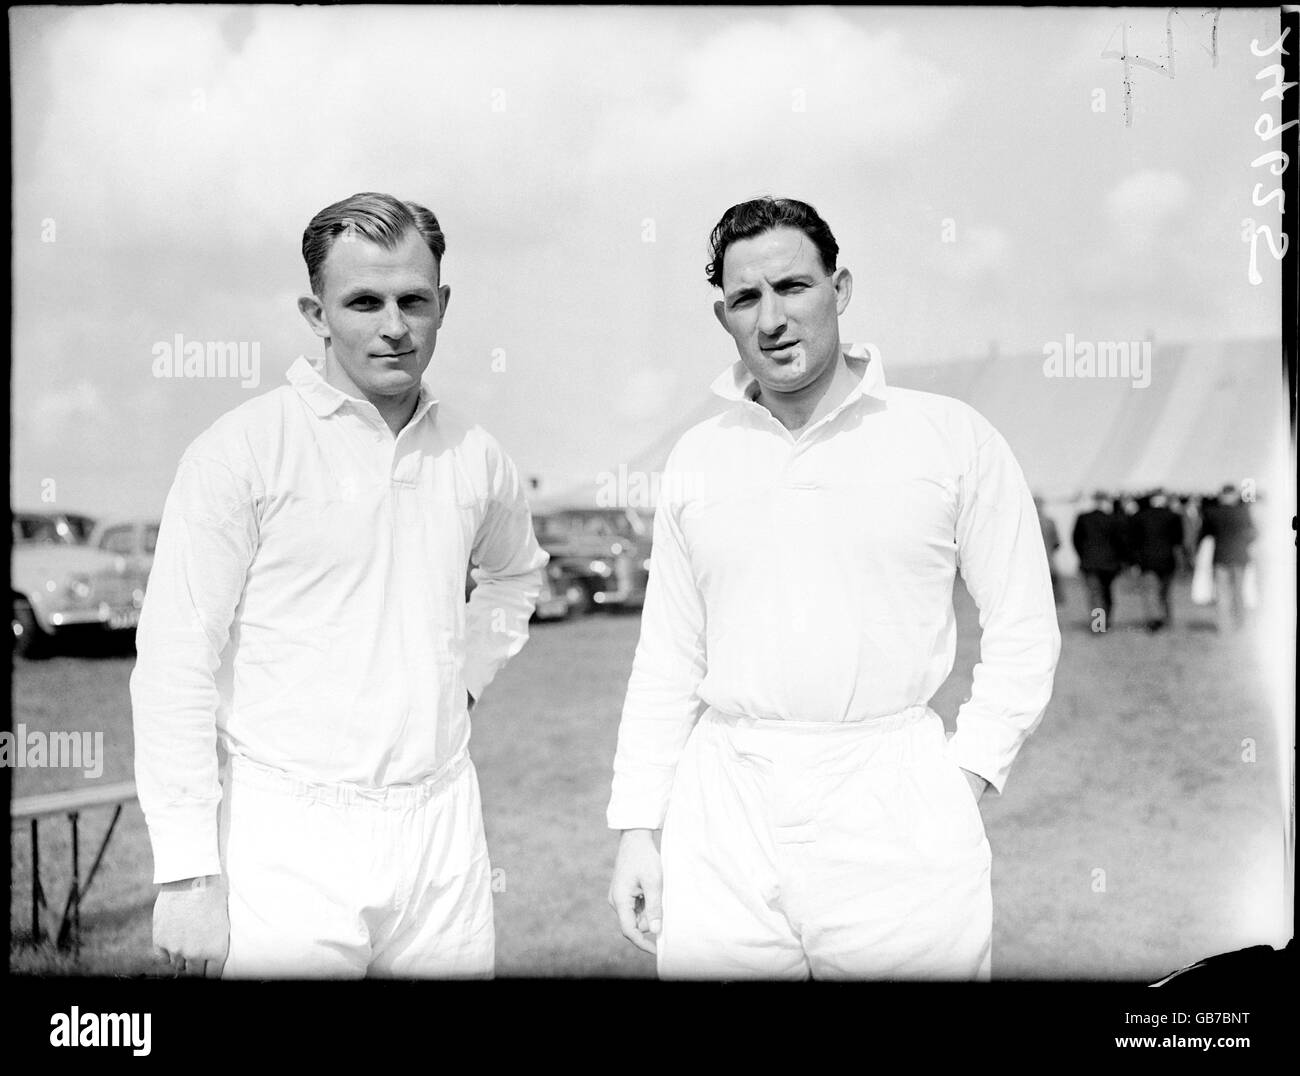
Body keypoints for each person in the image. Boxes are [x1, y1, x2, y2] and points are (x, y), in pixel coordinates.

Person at [605, 196, 1061, 980]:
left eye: (794, 287)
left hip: (895, 799)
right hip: (727, 806)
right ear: (724, 315)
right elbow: (668, 658)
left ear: (840, 289)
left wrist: (967, 775)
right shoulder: (698, 454)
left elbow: (1025, 625)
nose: (772, 317)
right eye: (747, 298)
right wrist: (638, 828)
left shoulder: (948, 437)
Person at [131, 192, 548, 979]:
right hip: (289, 832)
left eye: (413, 301)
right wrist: (187, 874)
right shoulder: (241, 453)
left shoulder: (474, 454)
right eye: (364, 301)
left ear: (442, 305)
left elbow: (516, 574)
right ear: (316, 312)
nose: (394, 326)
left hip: (442, 829)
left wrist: (463, 682)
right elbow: (174, 662)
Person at [1198, 483, 1258, 632]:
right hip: (1240, 557)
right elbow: (1254, 533)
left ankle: (1223, 626)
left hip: (1221, 558)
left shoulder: (1212, 512)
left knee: (1222, 594)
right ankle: (1241, 624)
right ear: (1235, 496)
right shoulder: (1243, 512)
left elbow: (1203, 534)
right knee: (1238, 593)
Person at [1129, 490, 1185, 631]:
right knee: (1164, 592)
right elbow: (1179, 540)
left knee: (1150, 591)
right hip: (1167, 560)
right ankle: (1165, 618)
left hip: (1147, 561)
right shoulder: (1173, 517)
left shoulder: (1139, 517)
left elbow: (1133, 541)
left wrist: (1134, 561)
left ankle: (1154, 619)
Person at [1071, 491, 1127, 632]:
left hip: (1090, 563)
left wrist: (1083, 555)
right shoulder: (1114, 520)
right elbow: (1120, 542)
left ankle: (1099, 625)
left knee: (1096, 595)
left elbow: (1076, 540)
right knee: (1106, 593)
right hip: (1110, 564)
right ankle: (1104, 622)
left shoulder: (1084, 518)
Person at [1034, 494, 1063, 605]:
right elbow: (1057, 543)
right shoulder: (1049, 522)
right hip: (1049, 563)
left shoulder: (1027, 522)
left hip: (1035, 565)